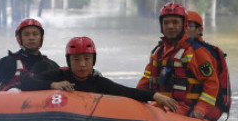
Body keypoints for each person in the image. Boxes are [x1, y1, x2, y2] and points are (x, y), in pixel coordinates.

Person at [21, 36, 178, 111]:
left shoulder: (99, 82)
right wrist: (52, 85)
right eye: (76, 59)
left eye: (87, 59)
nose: (82, 64)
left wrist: (155, 95)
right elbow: (26, 83)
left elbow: (126, 91)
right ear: (69, 62)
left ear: (93, 61)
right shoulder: (59, 76)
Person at [137, 1, 223, 121]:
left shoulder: (197, 52)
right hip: (161, 104)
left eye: (175, 22)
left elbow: (212, 83)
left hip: (183, 108)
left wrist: (200, 108)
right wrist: (135, 99)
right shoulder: (158, 52)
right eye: (166, 23)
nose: (170, 26)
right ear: (161, 26)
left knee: (160, 118)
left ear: (184, 25)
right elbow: (145, 81)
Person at [0, 18, 59, 95]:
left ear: (41, 37)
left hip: (44, 107)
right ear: (20, 38)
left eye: (35, 34)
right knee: (14, 91)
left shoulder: (51, 65)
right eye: (26, 34)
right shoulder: (8, 62)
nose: (31, 38)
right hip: (11, 105)